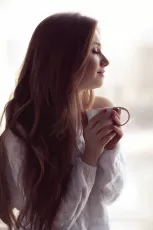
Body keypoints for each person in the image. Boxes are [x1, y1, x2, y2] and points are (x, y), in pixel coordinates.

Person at [0, 12, 125, 230]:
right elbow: (51, 223)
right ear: (64, 59)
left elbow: (108, 196)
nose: (106, 60)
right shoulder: (21, 133)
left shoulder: (99, 110)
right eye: (94, 50)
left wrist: (111, 149)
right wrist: (90, 157)